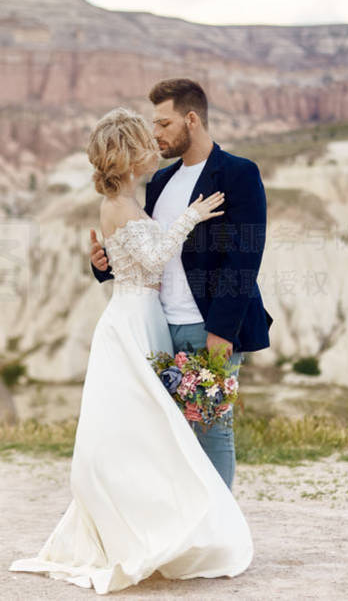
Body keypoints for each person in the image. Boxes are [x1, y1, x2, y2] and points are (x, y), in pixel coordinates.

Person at [9, 107, 253, 594]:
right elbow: (153, 255)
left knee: (163, 431)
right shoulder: (122, 205)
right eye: (147, 139)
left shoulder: (133, 198)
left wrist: (108, 260)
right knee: (142, 429)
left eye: (159, 130)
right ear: (129, 155)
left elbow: (134, 255)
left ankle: (192, 523)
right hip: (134, 322)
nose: (154, 145)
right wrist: (192, 216)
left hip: (150, 318)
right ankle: (170, 528)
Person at [90, 78, 273, 489]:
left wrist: (221, 331)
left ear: (192, 120)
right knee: (163, 441)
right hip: (155, 331)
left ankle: (218, 536)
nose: (155, 134)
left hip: (205, 327)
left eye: (164, 123)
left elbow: (245, 257)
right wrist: (102, 265)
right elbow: (142, 250)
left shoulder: (238, 174)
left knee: (213, 432)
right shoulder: (158, 183)